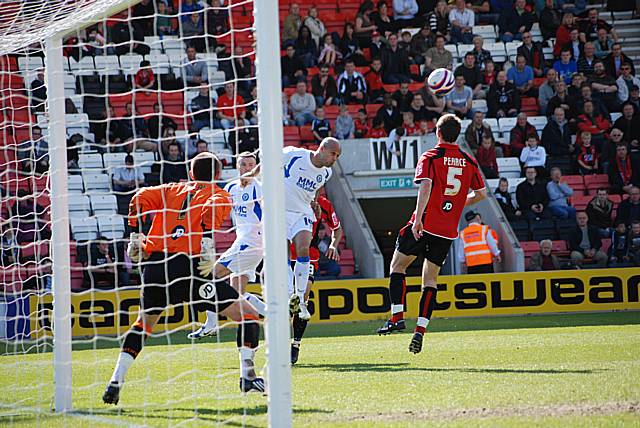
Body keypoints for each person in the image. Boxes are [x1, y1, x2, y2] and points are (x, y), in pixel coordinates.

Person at [102, 153, 265, 405]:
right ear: (218, 175)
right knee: (249, 315)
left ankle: (115, 381)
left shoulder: (170, 189)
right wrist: (208, 244)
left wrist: (135, 235)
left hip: (154, 267)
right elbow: (214, 207)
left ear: (190, 173)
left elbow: (138, 197)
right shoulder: (219, 193)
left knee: (143, 324)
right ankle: (247, 376)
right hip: (188, 269)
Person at [376, 114, 487, 355]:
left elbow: (425, 186)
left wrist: (418, 218)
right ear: (456, 134)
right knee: (430, 280)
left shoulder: (430, 156)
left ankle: (396, 316)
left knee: (397, 266)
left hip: (425, 224)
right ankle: (420, 331)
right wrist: (457, 204)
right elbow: (481, 194)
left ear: (438, 132)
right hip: (446, 231)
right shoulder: (469, 161)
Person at [188, 152, 267, 339]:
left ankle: (212, 324)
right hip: (242, 242)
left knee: (209, 276)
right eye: (244, 165)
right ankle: (275, 311)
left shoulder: (260, 188)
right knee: (237, 294)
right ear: (237, 167)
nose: (248, 168)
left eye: (251, 165)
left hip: (252, 243)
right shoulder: (231, 187)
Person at [283, 138, 341, 321]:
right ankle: (290, 295)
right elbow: (268, 159)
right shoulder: (293, 154)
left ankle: (299, 299)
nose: (335, 159)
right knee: (284, 252)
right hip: (282, 211)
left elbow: (316, 189)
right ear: (322, 149)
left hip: (302, 212)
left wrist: (314, 202)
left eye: (338, 156)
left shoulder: (327, 173)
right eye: (333, 154)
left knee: (303, 248)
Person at [289, 194, 342, 364]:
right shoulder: (288, 194)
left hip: (308, 257)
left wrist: (333, 244)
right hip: (284, 255)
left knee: (303, 296)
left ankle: (295, 344)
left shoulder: (324, 203)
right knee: (286, 302)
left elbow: (337, 227)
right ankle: (280, 344)